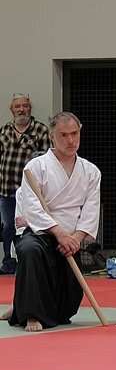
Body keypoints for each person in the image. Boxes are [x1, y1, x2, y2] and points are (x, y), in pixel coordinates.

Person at [2, 112, 100, 332]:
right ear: (51, 136)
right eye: (63, 135)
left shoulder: (91, 171)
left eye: (74, 133)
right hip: (40, 231)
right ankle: (30, 315)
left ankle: (20, 306)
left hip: (71, 237)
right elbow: (33, 208)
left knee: (66, 306)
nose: (70, 140)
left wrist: (74, 238)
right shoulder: (35, 167)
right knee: (29, 250)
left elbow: (91, 210)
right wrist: (59, 233)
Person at [0, 93, 52, 275]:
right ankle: (8, 262)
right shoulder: (4, 130)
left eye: (25, 106)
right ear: (11, 109)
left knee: (29, 226)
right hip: (6, 190)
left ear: (30, 108)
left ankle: (26, 262)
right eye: (17, 106)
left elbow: (48, 159)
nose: (21, 109)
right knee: (8, 227)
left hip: (30, 191)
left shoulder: (41, 130)